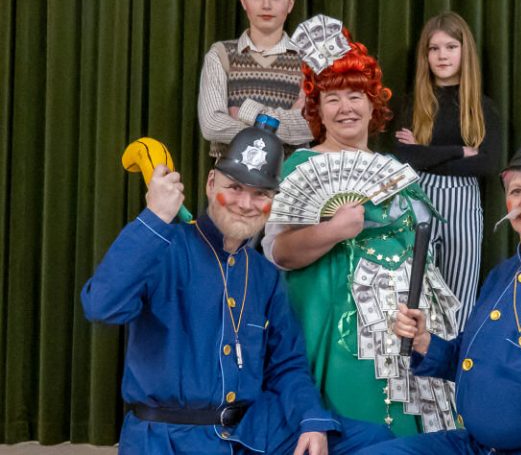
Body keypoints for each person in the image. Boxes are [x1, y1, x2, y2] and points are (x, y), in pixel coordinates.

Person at [81, 124, 392, 454]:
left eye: (261, 194)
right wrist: (156, 216)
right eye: (235, 188)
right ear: (211, 183)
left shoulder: (263, 274)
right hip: (169, 439)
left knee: (374, 443)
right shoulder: (163, 247)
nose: (246, 203)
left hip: (250, 432)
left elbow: (287, 364)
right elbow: (101, 306)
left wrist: (311, 419)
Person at [360, 134, 521, 454]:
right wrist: (424, 341)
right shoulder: (501, 275)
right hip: (471, 445)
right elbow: (468, 361)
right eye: (516, 191)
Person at [262, 20, 461, 437]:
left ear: (374, 106)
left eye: (355, 96)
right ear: (318, 110)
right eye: (332, 98)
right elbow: (279, 253)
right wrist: (335, 229)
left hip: (405, 334)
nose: (345, 108)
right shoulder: (303, 165)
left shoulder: (397, 171)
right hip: (337, 330)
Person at [393, 11, 501, 330]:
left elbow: (486, 163)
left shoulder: (482, 107)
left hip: (463, 208)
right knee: (410, 295)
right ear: (425, 55)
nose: (442, 55)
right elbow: (402, 158)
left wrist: (423, 152)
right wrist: (458, 151)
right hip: (417, 201)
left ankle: (453, 375)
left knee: (459, 299)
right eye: (434, 48)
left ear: (464, 51)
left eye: (450, 47)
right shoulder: (414, 104)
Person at [198, 0, 313, 159]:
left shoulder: (308, 61)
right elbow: (212, 126)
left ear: (290, 4)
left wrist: (251, 114)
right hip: (231, 180)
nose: (266, 5)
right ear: (243, 1)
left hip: (290, 178)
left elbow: (310, 126)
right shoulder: (220, 54)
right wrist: (283, 124)